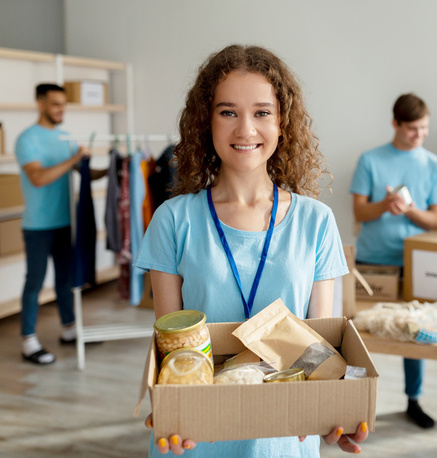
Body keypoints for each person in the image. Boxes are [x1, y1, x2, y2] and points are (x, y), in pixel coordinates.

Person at [134, 44, 368, 457]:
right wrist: (172, 410)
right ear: (206, 122)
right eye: (228, 112)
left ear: (283, 124)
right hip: (198, 433)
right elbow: (175, 350)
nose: (245, 130)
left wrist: (333, 415)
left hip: (283, 435)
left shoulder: (316, 221)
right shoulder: (173, 220)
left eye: (262, 112)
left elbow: (319, 346)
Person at [349, 93, 437, 429]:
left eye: (424, 129)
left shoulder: (434, 165)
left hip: (414, 262)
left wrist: (409, 210)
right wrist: (385, 204)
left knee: (414, 332)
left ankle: (413, 401)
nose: (419, 135)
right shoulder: (370, 160)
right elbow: (359, 211)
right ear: (396, 124)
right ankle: (353, 401)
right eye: (412, 129)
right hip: (372, 260)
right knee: (361, 333)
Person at [15, 83, 104, 365]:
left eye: (63, 104)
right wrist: (74, 159)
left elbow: (82, 171)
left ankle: (69, 330)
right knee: (35, 282)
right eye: (55, 104)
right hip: (38, 226)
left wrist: (116, 165)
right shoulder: (27, 139)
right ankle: (28, 340)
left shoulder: (66, 137)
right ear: (40, 104)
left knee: (66, 281)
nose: (60, 110)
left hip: (66, 224)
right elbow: (38, 178)